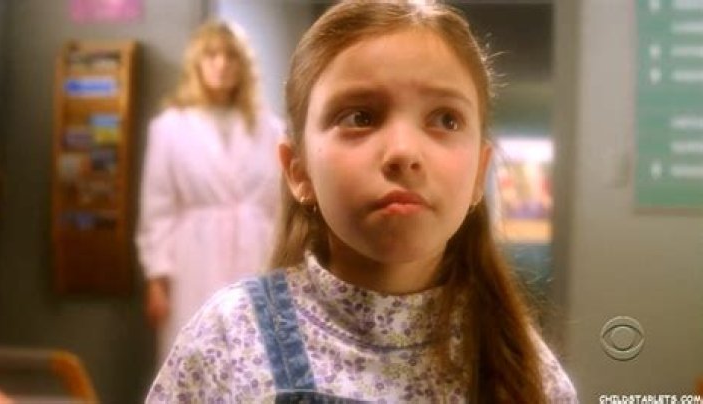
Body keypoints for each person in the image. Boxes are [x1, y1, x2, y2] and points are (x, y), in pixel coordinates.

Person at [146, 1, 578, 402]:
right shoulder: (228, 338)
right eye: (360, 117)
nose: (403, 151)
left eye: (446, 119)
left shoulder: (523, 368)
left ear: (479, 175)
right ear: (298, 171)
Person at [136, 20, 283, 362]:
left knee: (253, 356)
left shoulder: (271, 128)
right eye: (211, 55)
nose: (221, 64)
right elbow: (158, 209)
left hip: (257, 254)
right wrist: (157, 279)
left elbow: (280, 207)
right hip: (192, 259)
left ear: (243, 65)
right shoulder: (170, 128)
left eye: (231, 56)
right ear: (197, 63)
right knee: (193, 355)